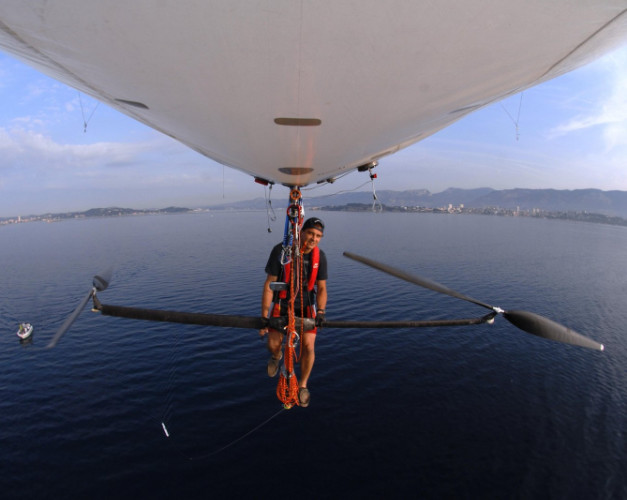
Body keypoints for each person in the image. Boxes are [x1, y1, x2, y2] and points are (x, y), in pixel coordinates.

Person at [260, 217, 327, 407]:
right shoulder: (281, 251)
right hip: (282, 305)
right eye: (310, 234)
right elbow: (268, 286)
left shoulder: (319, 257)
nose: (314, 239)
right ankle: (276, 356)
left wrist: (320, 312)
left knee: (308, 347)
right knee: (273, 345)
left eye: (318, 236)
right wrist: (264, 317)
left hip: (307, 308)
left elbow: (321, 288)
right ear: (301, 232)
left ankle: (303, 385)